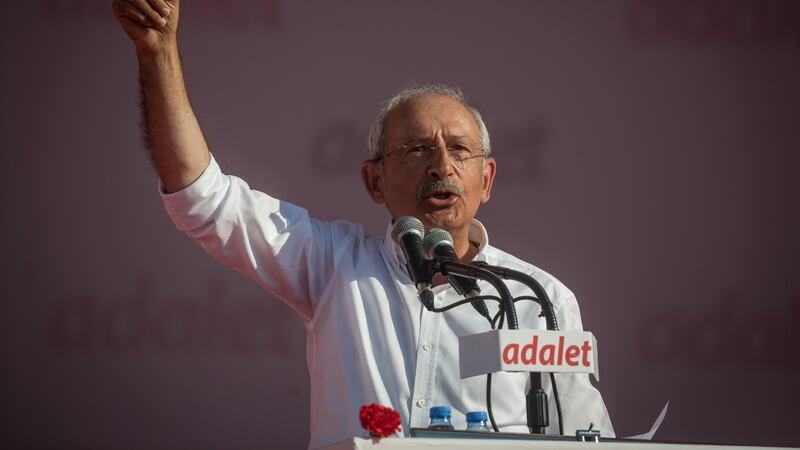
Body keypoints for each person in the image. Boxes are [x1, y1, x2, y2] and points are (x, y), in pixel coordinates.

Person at [113, 1, 614, 448]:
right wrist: (158, 53)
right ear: (374, 181)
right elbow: (204, 199)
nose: (441, 165)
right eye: (417, 149)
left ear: (487, 179)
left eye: (459, 150)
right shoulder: (334, 265)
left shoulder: (538, 298)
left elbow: (590, 440)